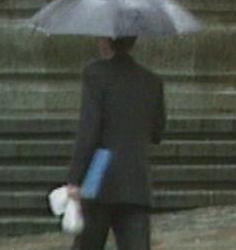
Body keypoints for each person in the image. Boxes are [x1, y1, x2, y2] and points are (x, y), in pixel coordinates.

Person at [67, 37, 166, 250]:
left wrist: (75, 178)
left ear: (105, 41)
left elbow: (89, 129)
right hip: (136, 178)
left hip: (99, 174)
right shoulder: (151, 80)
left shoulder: (95, 74)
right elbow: (157, 132)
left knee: (88, 243)